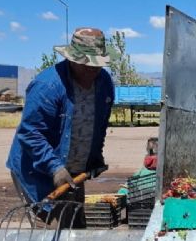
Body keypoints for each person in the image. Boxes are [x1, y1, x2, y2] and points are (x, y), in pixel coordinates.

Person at [7, 27, 116, 227]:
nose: (91, 70)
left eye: (96, 65)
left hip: (73, 172)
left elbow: (99, 125)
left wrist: (95, 156)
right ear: (72, 59)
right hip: (39, 171)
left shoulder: (104, 83)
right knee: (51, 232)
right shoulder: (48, 86)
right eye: (85, 65)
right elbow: (30, 133)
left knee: (74, 227)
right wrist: (55, 168)